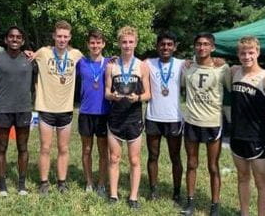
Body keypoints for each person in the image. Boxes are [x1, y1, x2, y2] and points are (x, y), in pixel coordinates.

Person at [181, 32, 231, 216]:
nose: (202, 47)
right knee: (192, 163)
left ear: (213, 47)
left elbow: (232, 86)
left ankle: (215, 205)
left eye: (206, 44)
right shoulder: (187, 67)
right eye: (199, 44)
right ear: (195, 47)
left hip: (212, 122)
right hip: (192, 121)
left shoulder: (222, 68)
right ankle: (190, 202)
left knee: (213, 166)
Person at [33, 20, 83, 195]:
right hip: (46, 108)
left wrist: (111, 61)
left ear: (70, 38)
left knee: (64, 148)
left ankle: (62, 182)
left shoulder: (76, 55)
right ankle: (44, 182)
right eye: (59, 36)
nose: (62, 39)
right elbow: (26, 57)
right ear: (54, 36)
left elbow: (94, 62)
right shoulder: (43, 52)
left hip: (66, 109)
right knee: (45, 147)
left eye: (65, 37)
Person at [105, 26, 150, 209]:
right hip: (115, 118)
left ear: (136, 43)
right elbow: (106, 93)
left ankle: (133, 197)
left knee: (134, 160)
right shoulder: (111, 66)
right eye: (124, 42)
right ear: (119, 43)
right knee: (114, 158)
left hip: (134, 118)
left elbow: (148, 94)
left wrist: (138, 97)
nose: (127, 45)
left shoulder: (142, 66)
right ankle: (114, 195)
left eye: (131, 42)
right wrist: (113, 96)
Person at [230, 36, 265, 216]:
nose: (247, 56)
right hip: (236, 135)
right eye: (243, 53)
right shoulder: (234, 71)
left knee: (261, 182)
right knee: (242, 178)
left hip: (257, 137)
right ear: (238, 54)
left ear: (258, 52)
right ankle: (244, 213)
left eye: (251, 52)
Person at [0, 26, 37, 196]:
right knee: (2, 147)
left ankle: (21, 185)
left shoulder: (30, 59)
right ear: (6, 39)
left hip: (23, 109)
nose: (15, 39)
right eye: (11, 36)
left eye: (18, 37)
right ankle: (2, 186)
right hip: (3, 109)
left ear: (23, 41)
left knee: (22, 147)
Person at [144, 31, 185, 202]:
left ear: (175, 47)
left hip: (174, 119)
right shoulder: (148, 63)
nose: (165, 47)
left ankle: (176, 192)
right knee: (153, 156)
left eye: (169, 44)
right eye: (162, 44)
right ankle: (153, 191)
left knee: (175, 157)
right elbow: (129, 62)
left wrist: (219, 61)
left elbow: (206, 63)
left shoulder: (183, 64)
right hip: (153, 117)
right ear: (157, 46)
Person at [76, 30, 110, 196]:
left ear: (103, 44)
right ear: (88, 44)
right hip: (85, 112)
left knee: (103, 151)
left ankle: (102, 183)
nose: (95, 45)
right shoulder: (80, 62)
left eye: (98, 42)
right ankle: (89, 182)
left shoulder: (111, 63)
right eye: (92, 43)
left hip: (104, 113)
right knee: (87, 149)